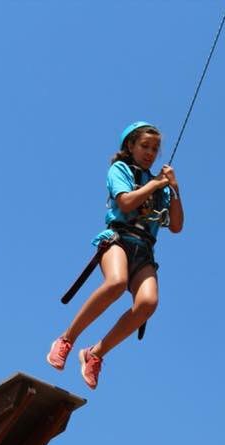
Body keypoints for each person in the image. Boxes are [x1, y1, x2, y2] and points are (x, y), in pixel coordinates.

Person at [47, 121, 185, 389]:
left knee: (148, 303)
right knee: (116, 282)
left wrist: (174, 189)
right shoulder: (120, 170)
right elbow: (125, 202)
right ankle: (66, 339)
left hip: (144, 248)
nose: (150, 153)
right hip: (118, 239)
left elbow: (177, 226)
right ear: (130, 146)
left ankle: (95, 354)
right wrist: (156, 184)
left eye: (155, 149)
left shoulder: (162, 187)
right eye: (145, 146)